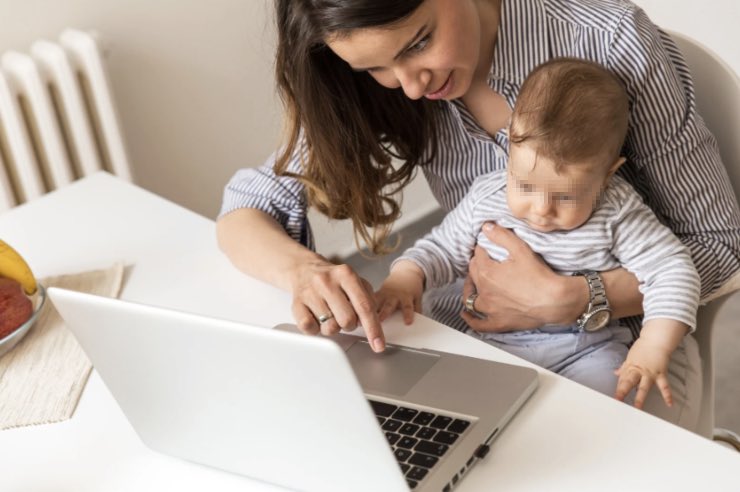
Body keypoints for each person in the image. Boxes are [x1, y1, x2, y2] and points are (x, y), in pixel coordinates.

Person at [216, 0, 740, 429]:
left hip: (623, 340)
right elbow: (247, 206)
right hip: (478, 325)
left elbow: (722, 245)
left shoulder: (609, 42)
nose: (410, 86)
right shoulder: (383, 83)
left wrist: (571, 298)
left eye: (419, 42)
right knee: (358, 419)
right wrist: (305, 271)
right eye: (374, 67)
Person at [375, 57, 700, 407]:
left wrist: (653, 345)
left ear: (607, 175)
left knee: (604, 404)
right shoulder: (489, 195)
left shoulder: (616, 212)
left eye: (565, 195)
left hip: (584, 350)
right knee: (447, 399)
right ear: (510, 148)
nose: (541, 209)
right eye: (525, 185)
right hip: (492, 345)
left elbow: (673, 271)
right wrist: (406, 278)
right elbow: (440, 250)